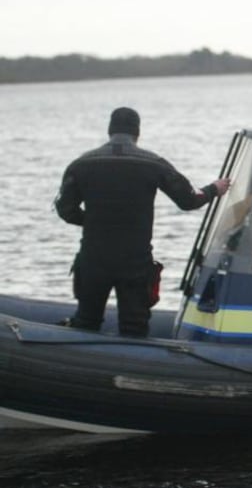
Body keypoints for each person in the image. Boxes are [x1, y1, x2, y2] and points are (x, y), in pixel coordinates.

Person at [55, 107, 231, 337]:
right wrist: (213, 189)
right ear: (137, 133)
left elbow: (65, 209)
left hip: (93, 259)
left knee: (86, 323)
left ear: (110, 131)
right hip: (135, 262)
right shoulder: (153, 164)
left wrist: (96, 222)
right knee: (134, 328)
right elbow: (189, 200)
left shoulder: (81, 164)